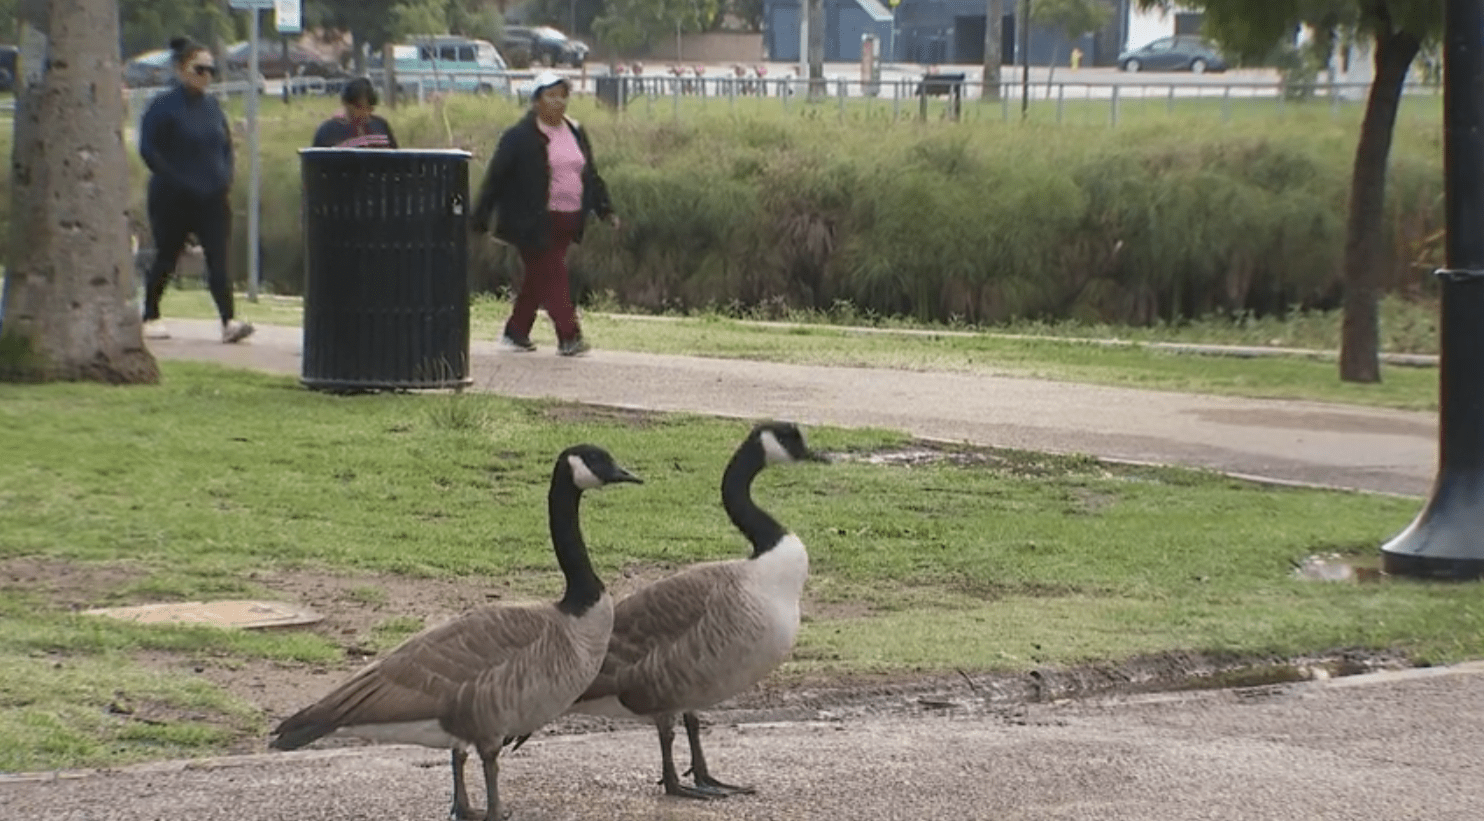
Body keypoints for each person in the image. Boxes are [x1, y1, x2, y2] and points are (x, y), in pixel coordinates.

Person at [471, 71, 619, 357]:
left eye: (563, 95)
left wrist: (605, 209)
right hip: (533, 221)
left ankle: (516, 331)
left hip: (568, 218)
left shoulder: (575, 130)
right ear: (536, 100)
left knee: (540, 277)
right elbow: (496, 178)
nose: (558, 102)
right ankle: (569, 335)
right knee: (553, 274)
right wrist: (480, 218)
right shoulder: (519, 137)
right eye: (551, 96)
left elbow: (591, 175)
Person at [137, 37, 253, 344]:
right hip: (173, 196)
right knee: (167, 254)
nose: (206, 76)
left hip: (212, 196)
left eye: (211, 70)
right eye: (199, 69)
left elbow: (225, 145)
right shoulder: (163, 107)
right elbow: (149, 149)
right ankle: (150, 313)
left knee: (218, 256)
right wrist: (176, 179)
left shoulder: (212, 107)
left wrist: (226, 175)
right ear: (180, 69)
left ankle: (228, 320)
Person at [312, 78, 398, 148]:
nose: (364, 113)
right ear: (346, 104)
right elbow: (316, 165)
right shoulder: (328, 130)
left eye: (368, 108)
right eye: (359, 107)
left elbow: (396, 160)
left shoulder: (380, 125)